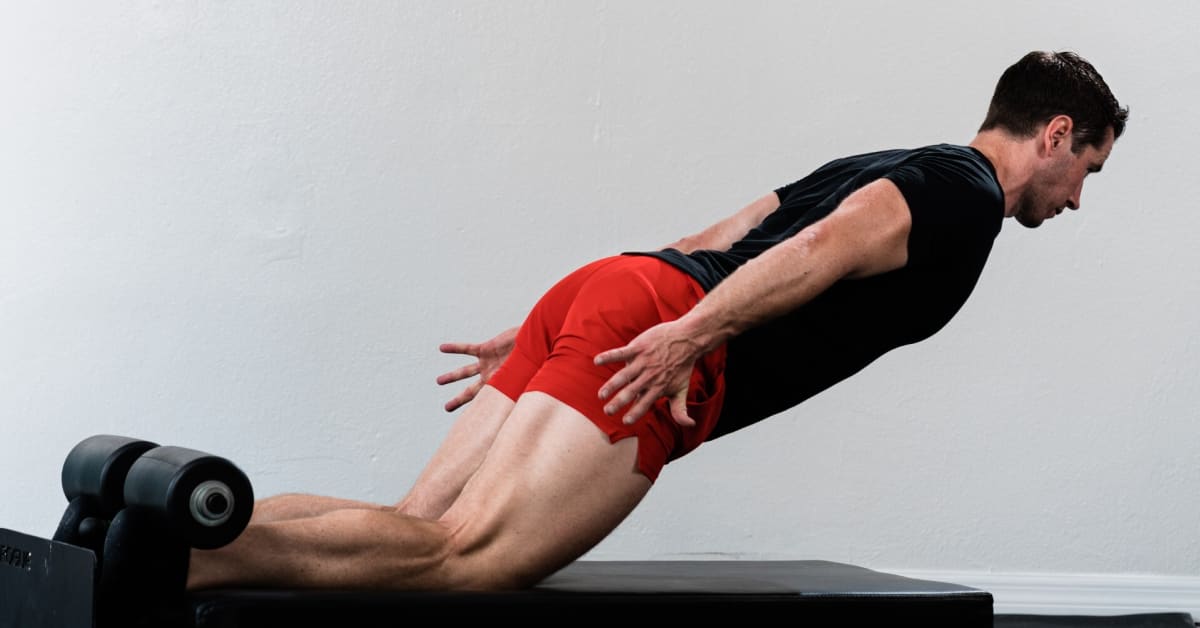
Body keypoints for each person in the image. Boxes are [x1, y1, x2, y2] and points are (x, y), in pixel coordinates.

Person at [186, 50, 1127, 591]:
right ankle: (184, 563)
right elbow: (821, 247)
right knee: (467, 560)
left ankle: (180, 529)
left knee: (415, 525)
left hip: (626, 289)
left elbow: (723, 234)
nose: (1078, 199)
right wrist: (688, 336)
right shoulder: (966, 194)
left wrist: (557, 325)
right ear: (1055, 133)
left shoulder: (896, 160)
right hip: (667, 328)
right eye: (1087, 169)